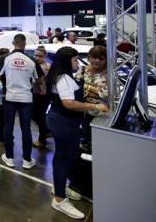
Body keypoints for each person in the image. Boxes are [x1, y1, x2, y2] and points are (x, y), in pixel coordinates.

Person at [46, 46, 109, 219]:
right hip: (63, 122)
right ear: (67, 61)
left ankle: (59, 186)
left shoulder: (63, 76)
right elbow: (69, 103)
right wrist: (95, 106)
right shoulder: (64, 78)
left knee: (70, 155)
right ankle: (59, 199)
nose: (78, 63)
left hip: (66, 122)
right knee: (63, 158)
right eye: (75, 60)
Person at [0, 33, 44, 170]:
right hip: (26, 98)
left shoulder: (5, 58)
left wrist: (9, 74)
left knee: (8, 127)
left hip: (9, 97)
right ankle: (27, 160)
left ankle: (9, 158)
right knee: (26, 128)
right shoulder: (31, 60)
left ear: (13, 43)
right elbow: (40, 80)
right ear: (24, 44)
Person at [75, 45, 108, 145]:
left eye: (101, 59)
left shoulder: (109, 73)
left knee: (99, 142)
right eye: (94, 57)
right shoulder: (82, 70)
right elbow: (76, 87)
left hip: (101, 114)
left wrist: (87, 87)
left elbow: (105, 94)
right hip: (82, 111)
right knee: (84, 140)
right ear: (89, 58)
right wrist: (96, 89)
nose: (97, 61)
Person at [31, 46, 51, 148]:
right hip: (36, 93)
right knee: (36, 115)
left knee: (40, 116)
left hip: (43, 95)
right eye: (35, 55)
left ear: (45, 56)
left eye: (40, 56)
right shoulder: (34, 65)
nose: (37, 57)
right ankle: (46, 131)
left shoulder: (47, 67)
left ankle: (42, 140)